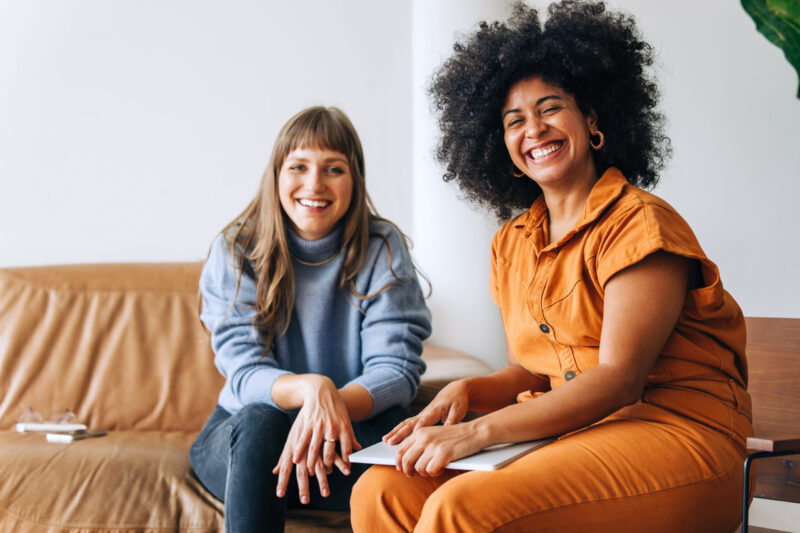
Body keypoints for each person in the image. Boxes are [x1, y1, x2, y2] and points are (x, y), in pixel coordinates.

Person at [350, 2, 752, 532]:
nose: (534, 129)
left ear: (591, 118)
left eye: (550, 108)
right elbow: (538, 369)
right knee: (383, 491)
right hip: (579, 434)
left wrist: (478, 432)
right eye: (514, 120)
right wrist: (471, 392)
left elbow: (617, 380)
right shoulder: (511, 244)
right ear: (500, 145)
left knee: (459, 509)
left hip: (679, 436)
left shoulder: (640, 224)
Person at [189, 106, 432, 533]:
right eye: (298, 166)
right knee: (262, 420)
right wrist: (311, 389)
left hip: (346, 442)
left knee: (416, 437)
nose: (314, 184)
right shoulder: (235, 249)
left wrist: (328, 411)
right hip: (246, 444)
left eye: (333, 169)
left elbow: (396, 371)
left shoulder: (382, 247)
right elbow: (244, 373)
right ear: (277, 176)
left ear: (354, 179)